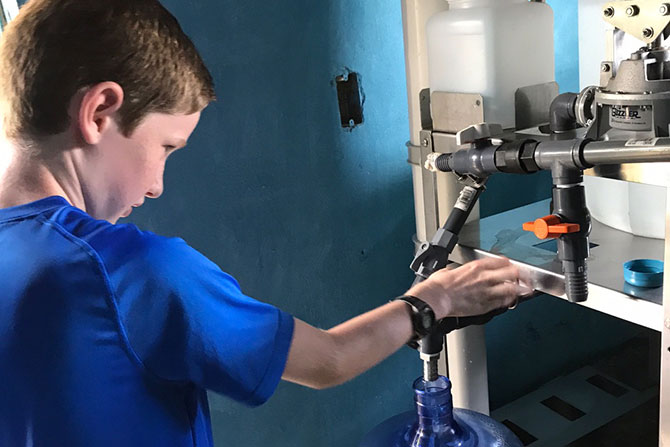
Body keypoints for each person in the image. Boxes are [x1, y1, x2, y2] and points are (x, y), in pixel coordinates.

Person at [0, 0, 532, 446]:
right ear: (99, 112)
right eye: (166, 147)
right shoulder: (132, 272)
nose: (158, 184)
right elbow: (328, 361)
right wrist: (433, 300)